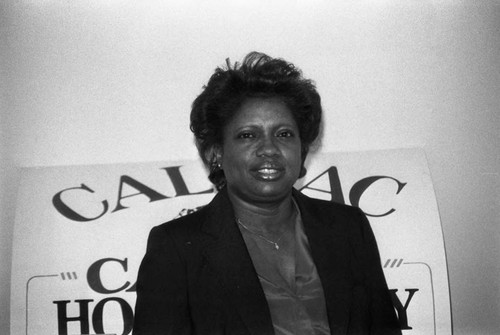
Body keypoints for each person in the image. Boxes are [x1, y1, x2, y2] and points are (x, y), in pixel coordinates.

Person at [133, 52, 401, 335]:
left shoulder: (349, 229)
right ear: (217, 153)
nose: (269, 148)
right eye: (248, 135)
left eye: (284, 134)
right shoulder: (176, 249)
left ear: (302, 149)